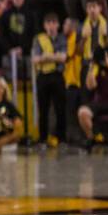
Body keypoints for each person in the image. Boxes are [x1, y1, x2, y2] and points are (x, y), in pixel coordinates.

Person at [31, 12, 67, 148]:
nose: (51, 26)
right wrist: (54, 56)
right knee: (43, 109)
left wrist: (46, 56)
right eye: (48, 23)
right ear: (44, 26)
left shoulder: (62, 38)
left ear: (58, 25)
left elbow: (63, 57)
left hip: (58, 76)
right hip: (43, 77)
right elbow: (35, 59)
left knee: (60, 109)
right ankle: (43, 139)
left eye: (53, 23)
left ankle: (61, 139)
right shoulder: (39, 39)